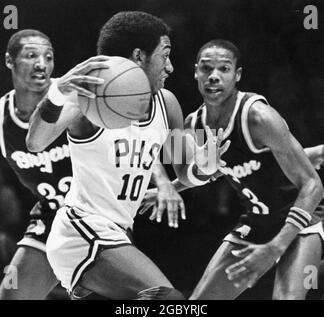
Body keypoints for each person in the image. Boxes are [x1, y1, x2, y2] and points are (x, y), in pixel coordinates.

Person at [26, 11, 227, 300]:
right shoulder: (88, 97)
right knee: (168, 300)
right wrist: (58, 92)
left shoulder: (168, 103)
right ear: (139, 56)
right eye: (164, 55)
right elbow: (35, 142)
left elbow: (186, 172)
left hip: (118, 234)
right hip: (81, 230)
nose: (169, 67)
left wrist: (207, 166)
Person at [141, 39, 324, 300]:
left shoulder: (259, 117)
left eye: (224, 69)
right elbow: (209, 172)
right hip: (258, 220)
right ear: (196, 72)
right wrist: (170, 186)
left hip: (302, 219)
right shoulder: (195, 124)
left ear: (236, 75)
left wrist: (275, 248)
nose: (213, 76)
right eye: (206, 69)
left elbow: (313, 185)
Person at [0, 29, 72, 299]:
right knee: (11, 293)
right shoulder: (2, 116)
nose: (41, 64)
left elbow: (131, 136)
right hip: (51, 215)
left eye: (48, 56)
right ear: (10, 61)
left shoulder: (72, 96)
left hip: (96, 213)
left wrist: (161, 182)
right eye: (31, 55)